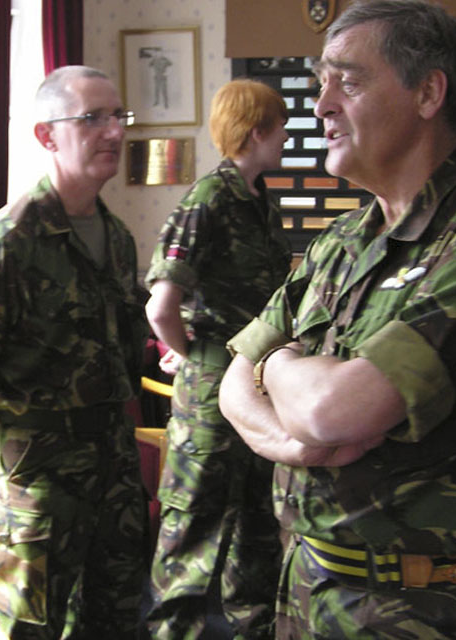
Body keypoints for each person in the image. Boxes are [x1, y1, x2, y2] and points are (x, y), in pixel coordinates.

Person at [218, 2, 456, 639]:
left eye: (346, 81)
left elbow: (333, 412)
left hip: (427, 608)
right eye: (319, 81)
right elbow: (233, 382)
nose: (320, 105)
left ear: (429, 93)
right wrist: (295, 436)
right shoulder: (342, 240)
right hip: (309, 583)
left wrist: (281, 367)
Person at [0, 65, 149, 639]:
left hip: (114, 479)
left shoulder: (118, 240)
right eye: (91, 118)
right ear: (47, 136)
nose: (112, 132)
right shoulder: (4, 247)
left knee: (119, 624)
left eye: (116, 116)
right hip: (39, 492)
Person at [143, 78, 292, 639]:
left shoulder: (258, 199)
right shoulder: (209, 199)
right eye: (279, 127)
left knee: (258, 527)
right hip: (212, 396)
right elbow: (161, 307)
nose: (286, 137)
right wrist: (194, 357)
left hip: (260, 387)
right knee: (193, 535)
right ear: (257, 131)